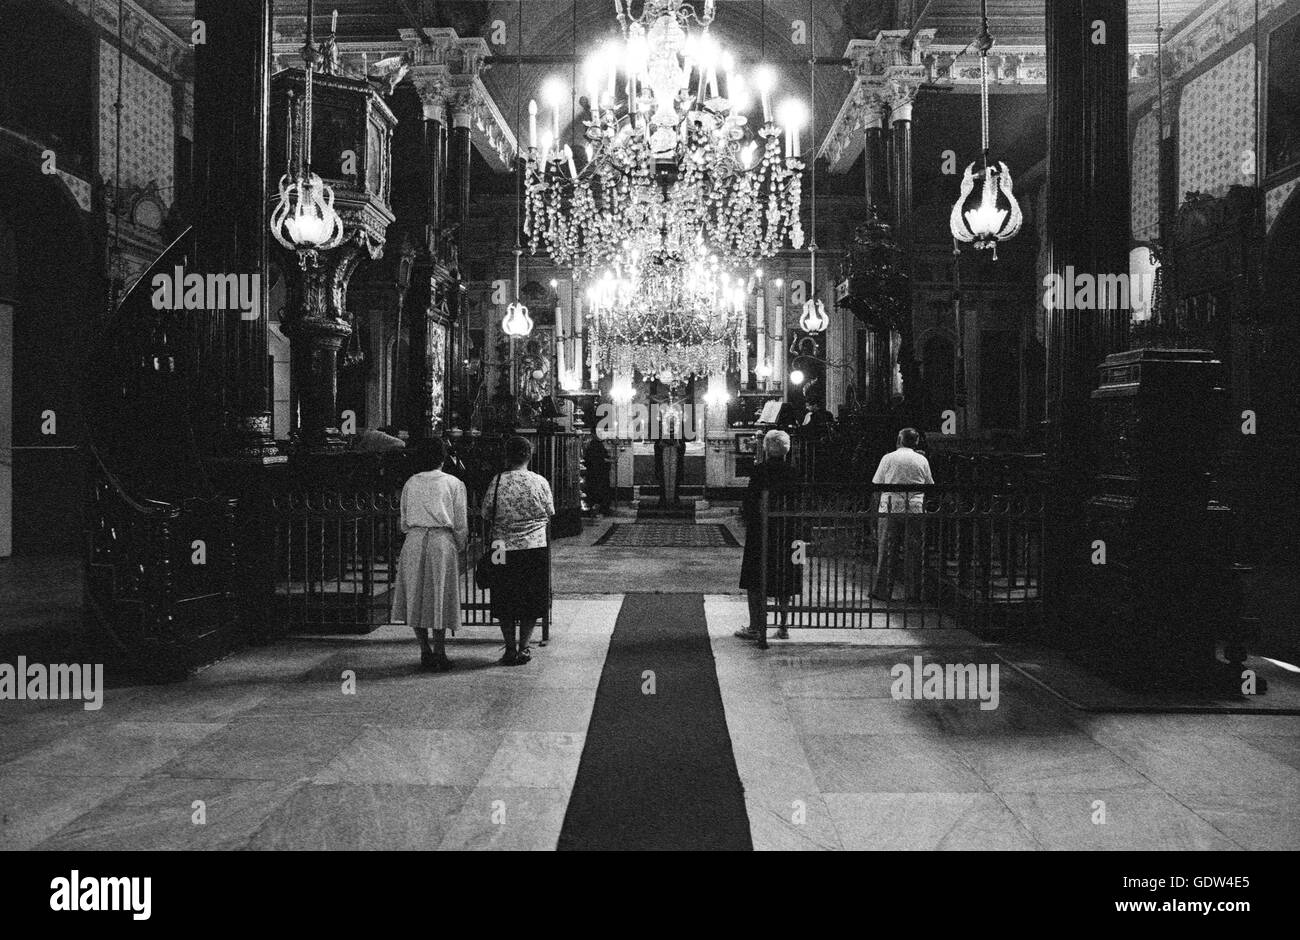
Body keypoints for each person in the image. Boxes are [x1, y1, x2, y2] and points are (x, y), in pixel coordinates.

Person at [391, 437, 468, 672]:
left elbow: (403, 521)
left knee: (414, 595)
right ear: (444, 458)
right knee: (440, 594)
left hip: (414, 540)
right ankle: (440, 650)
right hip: (441, 541)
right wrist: (460, 544)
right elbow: (460, 522)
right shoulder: (454, 484)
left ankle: (424, 649)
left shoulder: (411, 483)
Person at [482, 435, 555, 665]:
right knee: (531, 598)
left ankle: (509, 648)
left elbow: (486, 512)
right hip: (534, 546)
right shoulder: (539, 481)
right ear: (529, 456)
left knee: (503, 595)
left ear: (507, 456)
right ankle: (524, 646)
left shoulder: (498, 481)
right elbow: (550, 511)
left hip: (500, 546)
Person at [735, 429, 802, 642]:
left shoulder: (759, 471)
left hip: (761, 530)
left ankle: (756, 626)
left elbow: (750, 502)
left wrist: (746, 519)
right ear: (787, 449)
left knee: (755, 578)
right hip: (788, 530)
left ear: (765, 447)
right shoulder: (794, 472)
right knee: (786, 577)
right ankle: (783, 626)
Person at [871, 427, 934, 602]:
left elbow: (877, 484)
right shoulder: (922, 460)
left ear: (899, 440)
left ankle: (882, 591)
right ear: (917, 442)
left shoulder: (888, 458)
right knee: (913, 552)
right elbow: (929, 484)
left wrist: (875, 510)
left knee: (887, 551)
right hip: (914, 508)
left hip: (890, 506)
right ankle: (913, 593)